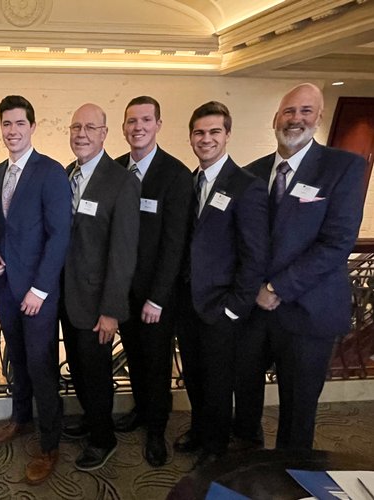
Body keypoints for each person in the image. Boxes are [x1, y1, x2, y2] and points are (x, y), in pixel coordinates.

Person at [235, 83, 366, 450]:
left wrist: (276, 288)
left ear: (319, 117)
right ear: (276, 118)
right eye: (289, 111)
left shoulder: (344, 167)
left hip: (308, 311)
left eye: (305, 111)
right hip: (253, 313)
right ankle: (245, 465)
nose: (296, 119)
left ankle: (291, 476)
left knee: (297, 407)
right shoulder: (252, 173)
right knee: (244, 395)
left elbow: (337, 242)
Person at [175, 101, 268, 468]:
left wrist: (235, 307)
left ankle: (215, 448)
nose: (206, 139)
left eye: (214, 132)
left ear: (227, 135)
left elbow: (254, 255)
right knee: (194, 375)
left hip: (222, 306)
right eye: (199, 132)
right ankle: (199, 431)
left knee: (218, 382)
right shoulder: (191, 180)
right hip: (189, 301)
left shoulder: (246, 186)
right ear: (191, 138)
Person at [0, 95, 71, 484]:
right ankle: (20, 419)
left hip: (38, 293)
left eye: (20, 123)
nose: (12, 131)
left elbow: (59, 236)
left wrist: (39, 289)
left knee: (41, 368)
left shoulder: (50, 171)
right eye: (6, 124)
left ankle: (49, 445)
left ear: (32, 127)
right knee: (17, 362)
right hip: (6, 287)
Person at [112, 96, 193, 466]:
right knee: (135, 358)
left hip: (155, 297)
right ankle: (142, 412)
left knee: (157, 364)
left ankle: (156, 431)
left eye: (146, 119)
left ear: (158, 124)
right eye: (131, 121)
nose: (138, 127)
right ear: (123, 126)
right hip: (122, 293)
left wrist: (158, 298)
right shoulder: (114, 170)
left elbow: (176, 244)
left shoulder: (175, 175)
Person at [60, 102, 140, 471]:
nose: (82, 134)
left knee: (96, 373)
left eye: (90, 128)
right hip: (65, 295)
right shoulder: (65, 174)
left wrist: (111, 311)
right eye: (76, 127)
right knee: (77, 368)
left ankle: (102, 438)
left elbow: (123, 254)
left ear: (105, 134)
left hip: (96, 303)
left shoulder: (122, 181)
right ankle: (93, 420)